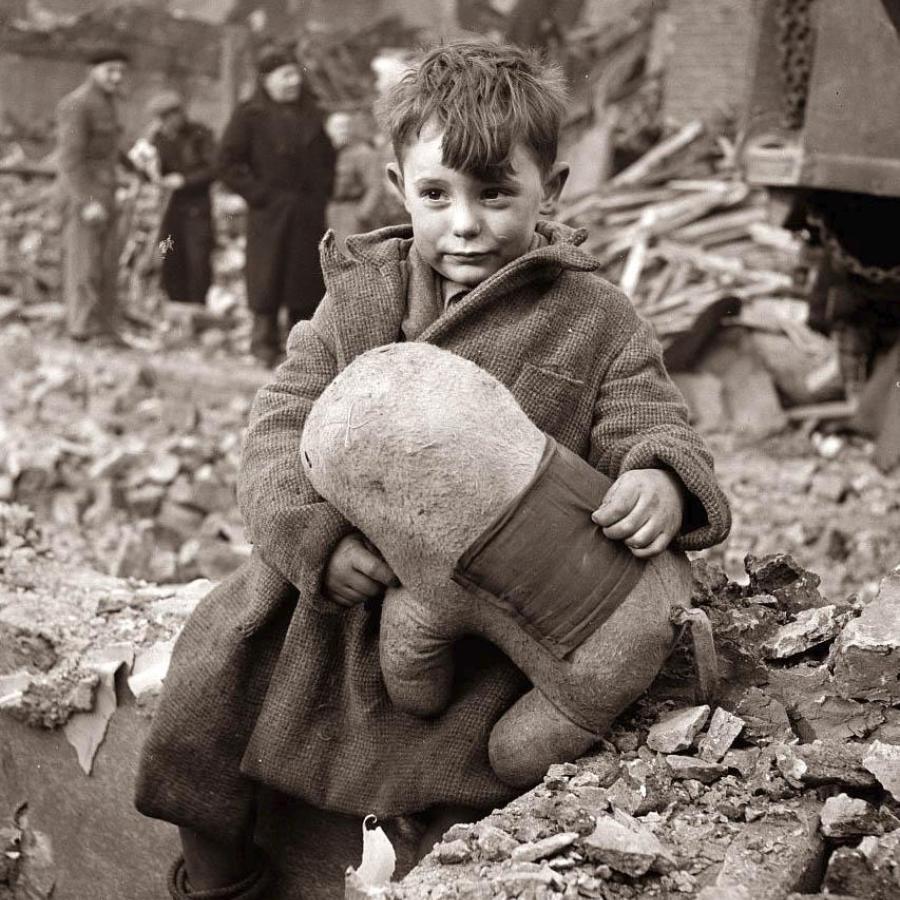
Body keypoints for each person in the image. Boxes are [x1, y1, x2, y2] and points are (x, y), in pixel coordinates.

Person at [135, 41, 732, 899]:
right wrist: (314, 535)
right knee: (211, 688)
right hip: (328, 597)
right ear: (397, 186)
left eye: (497, 194)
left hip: (474, 617)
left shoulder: (591, 315)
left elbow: (647, 414)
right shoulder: (361, 297)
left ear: (550, 189)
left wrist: (661, 478)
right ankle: (219, 878)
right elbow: (277, 422)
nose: (466, 224)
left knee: (459, 769)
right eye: (437, 195)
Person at [217, 44, 336, 367]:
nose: (293, 82)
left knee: (304, 279)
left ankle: (299, 350)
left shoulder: (311, 112)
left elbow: (327, 157)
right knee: (267, 275)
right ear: (266, 80)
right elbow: (227, 163)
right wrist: (260, 195)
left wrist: (321, 192)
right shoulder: (249, 114)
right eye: (285, 76)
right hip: (270, 211)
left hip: (307, 210)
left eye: (296, 75)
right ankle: (263, 345)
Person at [56, 47, 130, 344]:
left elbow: (109, 151)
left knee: (107, 264)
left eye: (121, 71)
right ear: (93, 70)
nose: (116, 76)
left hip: (108, 192)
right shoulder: (77, 104)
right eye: (110, 70)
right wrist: (87, 203)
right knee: (85, 264)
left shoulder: (108, 103)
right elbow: (70, 160)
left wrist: (134, 166)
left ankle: (103, 329)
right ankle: (82, 329)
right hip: (85, 195)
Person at [146, 91, 217, 307]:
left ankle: (198, 307)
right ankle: (175, 305)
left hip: (196, 210)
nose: (166, 123)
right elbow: (152, 171)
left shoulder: (200, 134)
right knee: (170, 255)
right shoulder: (158, 139)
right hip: (170, 211)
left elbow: (214, 168)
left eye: (170, 116)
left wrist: (184, 181)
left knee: (198, 260)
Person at [324, 110, 383, 249]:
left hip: (350, 211)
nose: (343, 130)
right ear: (327, 129)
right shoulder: (320, 153)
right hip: (326, 210)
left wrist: (362, 214)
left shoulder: (363, 153)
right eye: (338, 127)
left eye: (346, 126)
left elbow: (375, 186)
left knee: (348, 256)